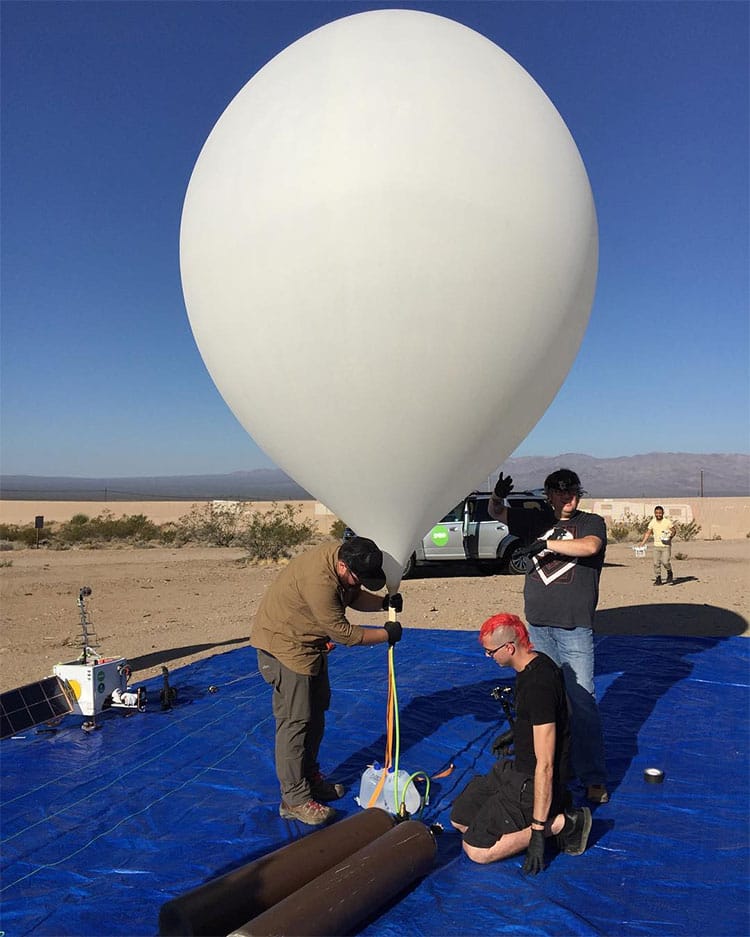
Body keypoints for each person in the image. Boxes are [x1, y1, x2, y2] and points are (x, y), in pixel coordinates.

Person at [251, 536, 403, 825]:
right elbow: (345, 634)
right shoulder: (319, 582)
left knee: (316, 714)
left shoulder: (345, 561)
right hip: (285, 648)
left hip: (309, 647)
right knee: (296, 722)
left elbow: (353, 595)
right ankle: (293, 799)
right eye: (358, 577)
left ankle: (309, 777)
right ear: (343, 565)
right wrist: (387, 634)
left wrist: (384, 602)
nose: (359, 583)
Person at [489, 468, 609, 804]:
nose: (567, 498)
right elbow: (496, 513)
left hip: (573, 629)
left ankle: (593, 777)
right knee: (545, 702)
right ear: (549, 494)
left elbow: (589, 547)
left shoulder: (590, 523)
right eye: (560, 492)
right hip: (538, 628)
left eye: (572, 492)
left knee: (583, 703)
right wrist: (498, 496)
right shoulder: (535, 518)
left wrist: (546, 542)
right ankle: (551, 770)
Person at [450, 613, 592, 870]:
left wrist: (538, 833)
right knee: (460, 818)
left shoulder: (539, 685)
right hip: (515, 769)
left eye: (490, 652)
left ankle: (564, 822)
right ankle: (546, 813)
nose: (488, 657)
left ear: (509, 647)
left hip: (530, 780)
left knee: (476, 850)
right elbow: (545, 719)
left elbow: (546, 765)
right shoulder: (531, 665)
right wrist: (517, 734)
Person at [638, 506, 676, 585]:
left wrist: (670, 537)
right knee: (656, 563)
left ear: (663, 513)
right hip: (656, 546)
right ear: (655, 513)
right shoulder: (652, 522)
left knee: (665, 562)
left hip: (666, 546)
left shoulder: (667, 522)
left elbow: (674, 531)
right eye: (657, 513)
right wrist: (642, 543)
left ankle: (669, 572)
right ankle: (658, 579)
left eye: (660, 513)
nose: (658, 514)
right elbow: (648, 532)